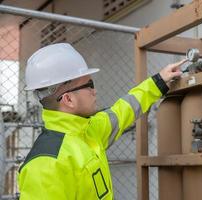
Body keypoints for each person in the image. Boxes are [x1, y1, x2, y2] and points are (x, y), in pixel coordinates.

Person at [17, 43, 186, 199]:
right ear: (68, 99)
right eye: (89, 84)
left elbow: (123, 110)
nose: (95, 91)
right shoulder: (45, 165)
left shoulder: (88, 129)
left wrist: (158, 81)